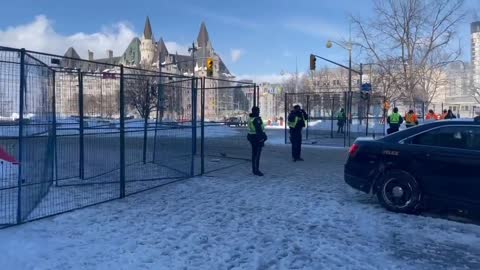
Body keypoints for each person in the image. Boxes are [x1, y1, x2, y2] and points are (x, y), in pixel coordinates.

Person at [247, 106, 267, 176]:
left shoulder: (251, 118)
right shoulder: (256, 119)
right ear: (255, 111)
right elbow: (259, 130)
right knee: (257, 155)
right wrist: (263, 138)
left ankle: (254, 169)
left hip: (252, 137)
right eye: (258, 111)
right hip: (256, 138)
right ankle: (256, 170)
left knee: (254, 154)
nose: (259, 112)